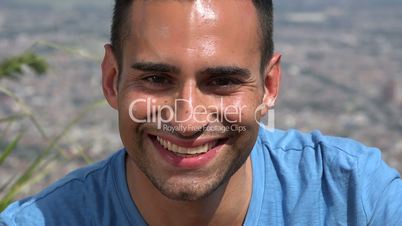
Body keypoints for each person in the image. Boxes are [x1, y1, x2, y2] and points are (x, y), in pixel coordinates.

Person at [1, 0, 401, 225]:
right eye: (157, 78)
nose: (188, 120)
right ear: (111, 80)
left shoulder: (352, 198)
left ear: (270, 86)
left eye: (222, 81)